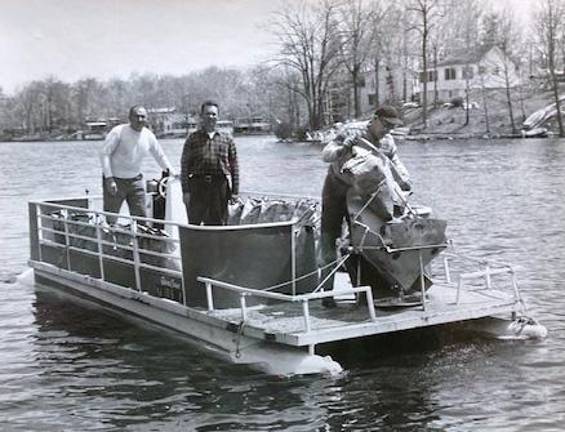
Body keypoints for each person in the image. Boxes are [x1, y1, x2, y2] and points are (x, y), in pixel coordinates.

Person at [319, 105, 411, 307]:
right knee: (329, 239)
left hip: (363, 193)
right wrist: (342, 148)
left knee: (363, 241)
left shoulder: (387, 140)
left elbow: (394, 161)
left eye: (392, 127)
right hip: (336, 188)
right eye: (385, 124)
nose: (388, 130)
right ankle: (326, 294)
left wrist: (404, 180)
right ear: (375, 119)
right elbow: (326, 155)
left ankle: (364, 292)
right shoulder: (352, 131)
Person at [99, 105, 175, 225]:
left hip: (136, 182)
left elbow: (160, 156)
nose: (140, 120)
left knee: (142, 220)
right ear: (130, 117)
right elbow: (104, 154)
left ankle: (142, 243)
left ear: (146, 119)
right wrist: (109, 178)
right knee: (111, 220)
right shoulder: (118, 132)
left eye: (142, 117)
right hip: (115, 181)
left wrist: (173, 173)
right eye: (136, 116)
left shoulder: (148, 136)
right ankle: (110, 243)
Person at [180, 101, 239, 225]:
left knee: (218, 223)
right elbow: (184, 166)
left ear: (218, 116)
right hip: (197, 186)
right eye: (207, 114)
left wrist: (235, 192)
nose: (210, 117)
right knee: (194, 223)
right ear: (201, 116)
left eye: (213, 114)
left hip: (220, 186)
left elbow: (235, 167)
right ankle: (195, 245)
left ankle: (217, 245)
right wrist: (185, 191)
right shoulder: (192, 138)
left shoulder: (227, 138)